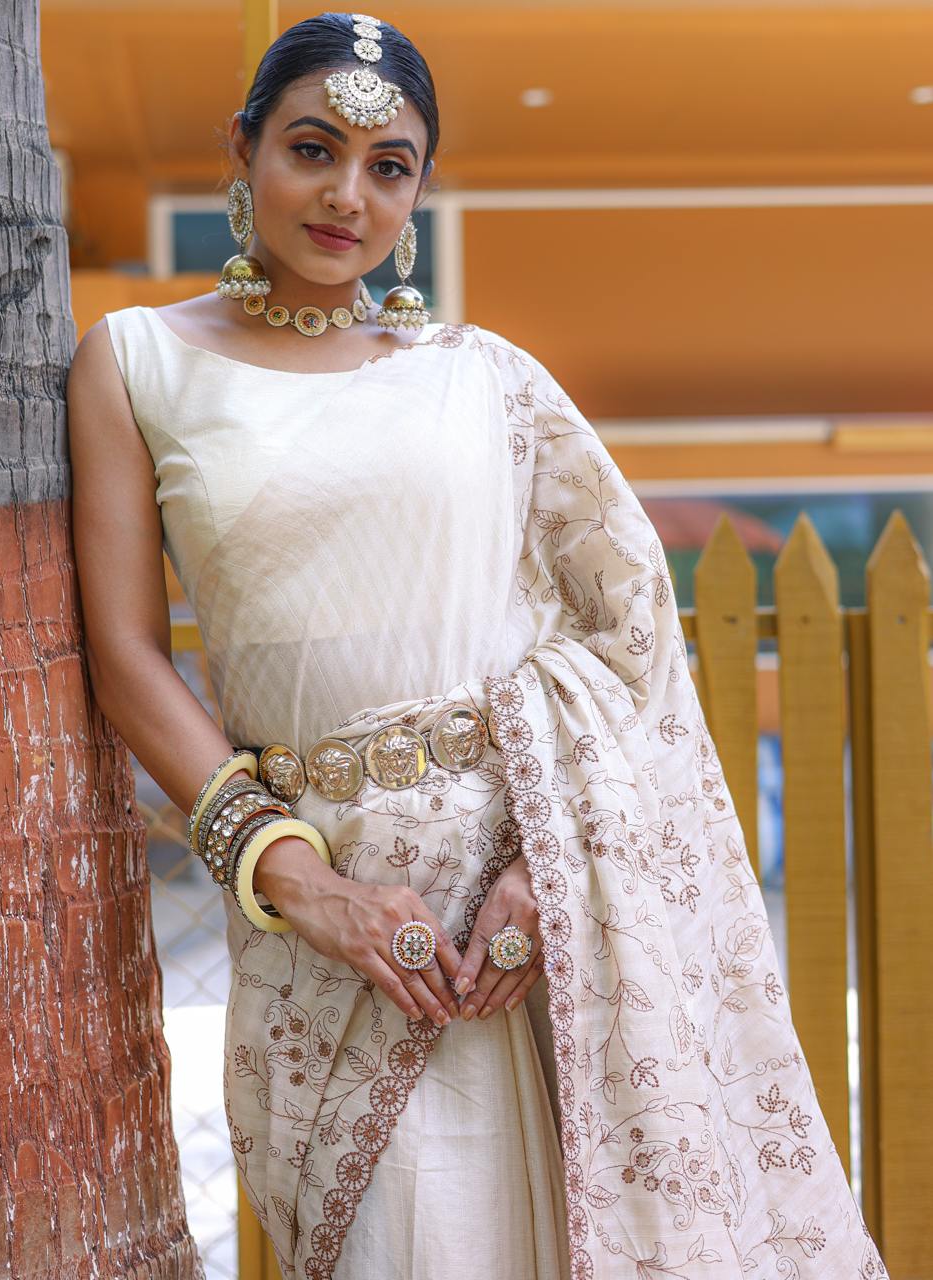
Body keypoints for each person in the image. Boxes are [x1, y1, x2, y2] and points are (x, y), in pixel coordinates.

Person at [66, 12, 889, 1280]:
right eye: (311, 148)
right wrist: (297, 877)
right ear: (242, 149)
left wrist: (546, 867)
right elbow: (124, 652)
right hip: (326, 923)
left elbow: (621, 630)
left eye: (387, 166)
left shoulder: (484, 377)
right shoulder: (136, 362)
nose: (346, 195)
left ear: (419, 191)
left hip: (534, 915)